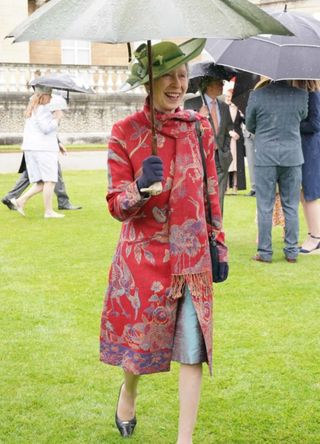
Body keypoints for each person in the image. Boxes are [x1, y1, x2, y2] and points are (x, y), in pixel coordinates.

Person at [100, 39, 228, 443]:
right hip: (144, 259)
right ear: (148, 79)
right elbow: (116, 204)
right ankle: (129, 390)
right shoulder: (126, 133)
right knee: (138, 351)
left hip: (192, 257)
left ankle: (183, 439)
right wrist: (140, 186)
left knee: (193, 348)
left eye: (183, 75)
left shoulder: (199, 127)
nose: (177, 84)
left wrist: (217, 244)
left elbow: (212, 190)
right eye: (168, 75)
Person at [246, 80, 308, 263]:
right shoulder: (301, 95)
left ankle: (264, 252)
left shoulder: (257, 95)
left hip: (265, 155)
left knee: (265, 206)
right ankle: (291, 251)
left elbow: (250, 125)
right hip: (292, 156)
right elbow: (302, 117)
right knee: (291, 206)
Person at [9, 89, 67, 218]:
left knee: (41, 182)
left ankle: (20, 201)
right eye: (50, 95)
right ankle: (49, 211)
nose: (52, 98)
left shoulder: (34, 108)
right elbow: (46, 129)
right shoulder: (42, 109)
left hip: (33, 148)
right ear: (44, 96)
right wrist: (57, 118)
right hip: (43, 149)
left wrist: (58, 143)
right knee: (50, 180)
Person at [184, 75, 233, 215]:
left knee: (219, 198)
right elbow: (185, 130)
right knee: (200, 195)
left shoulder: (223, 106)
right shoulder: (191, 104)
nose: (222, 85)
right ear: (209, 85)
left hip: (220, 158)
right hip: (199, 158)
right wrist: (198, 116)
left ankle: (217, 231)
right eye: (219, 82)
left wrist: (225, 150)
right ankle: (202, 231)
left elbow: (228, 128)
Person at [292, 80, 320, 255]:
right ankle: (313, 234)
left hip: (311, 150)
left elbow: (315, 124)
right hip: (304, 148)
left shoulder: (314, 95)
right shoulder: (306, 94)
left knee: (310, 195)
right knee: (304, 195)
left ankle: (316, 237)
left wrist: (293, 123)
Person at [1, 157, 82, 211]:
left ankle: (10, 197)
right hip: (41, 147)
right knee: (52, 173)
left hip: (35, 147)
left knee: (29, 174)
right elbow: (45, 131)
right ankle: (63, 203)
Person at [224, 89, 246, 194]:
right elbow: (220, 125)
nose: (228, 98)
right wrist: (229, 132)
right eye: (227, 96)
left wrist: (243, 115)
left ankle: (236, 187)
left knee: (237, 164)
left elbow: (246, 122)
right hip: (227, 138)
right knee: (228, 163)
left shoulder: (239, 108)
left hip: (238, 139)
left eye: (230, 96)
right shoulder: (222, 108)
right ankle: (227, 187)